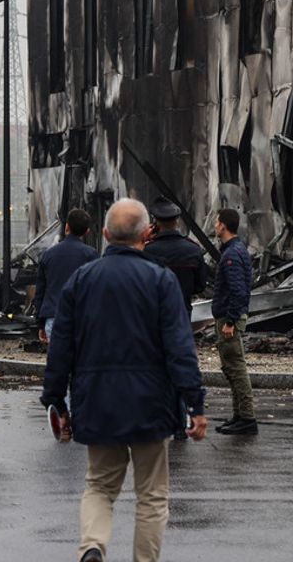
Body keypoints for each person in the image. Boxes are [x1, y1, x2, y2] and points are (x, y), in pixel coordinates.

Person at [41, 198, 207, 562]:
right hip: (152, 402)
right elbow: (179, 347)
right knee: (151, 495)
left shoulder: (81, 282)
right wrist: (194, 403)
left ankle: (93, 547)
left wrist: (56, 400)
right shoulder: (161, 281)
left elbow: (61, 349)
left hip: (96, 400)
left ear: (104, 235)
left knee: (99, 485)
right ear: (146, 234)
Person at [211, 207, 256, 436]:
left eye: (217, 221)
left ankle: (247, 418)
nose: (215, 225)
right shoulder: (235, 251)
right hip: (229, 317)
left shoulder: (231, 255)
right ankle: (239, 415)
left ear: (223, 225)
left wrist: (229, 321)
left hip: (229, 319)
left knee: (236, 368)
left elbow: (238, 291)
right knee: (230, 367)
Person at [36, 207, 99, 345]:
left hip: (53, 316)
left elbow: (40, 291)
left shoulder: (48, 255)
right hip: (81, 318)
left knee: (58, 362)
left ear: (66, 227)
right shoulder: (91, 255)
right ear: (87, 231)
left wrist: (40, 323)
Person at [143, 196, 208, 317]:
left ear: (154, 222)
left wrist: (142, 240)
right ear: (177, 220)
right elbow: (200, 286)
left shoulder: (146, 251)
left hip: (155, 318)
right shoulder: (193, 249)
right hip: (182, 316)